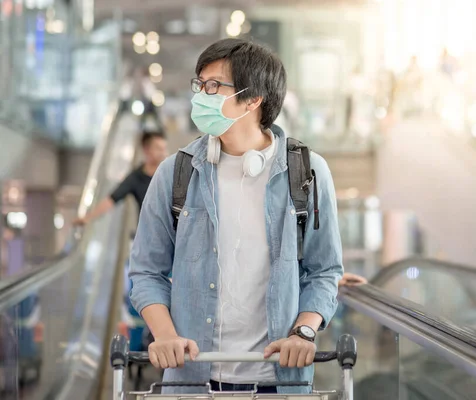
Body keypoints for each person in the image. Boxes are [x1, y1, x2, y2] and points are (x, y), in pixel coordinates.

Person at [128, 38, 343, 395]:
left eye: (213, 86)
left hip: (280, 381)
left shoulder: (306, 172)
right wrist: (165, 335)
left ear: (253, 98)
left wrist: (303, 331)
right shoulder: (176, 173)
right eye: (199, 85)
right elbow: (146, 270)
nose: (201, 95)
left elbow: (324, 271)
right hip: (192, 380)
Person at [73, 131, 168, 225]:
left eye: (164, 149)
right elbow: (112, 199)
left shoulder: (170, 174)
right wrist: (88, 218)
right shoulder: (136, 177)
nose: (163, 153)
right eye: (158, 149)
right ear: (146, 149)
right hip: (149, 235)